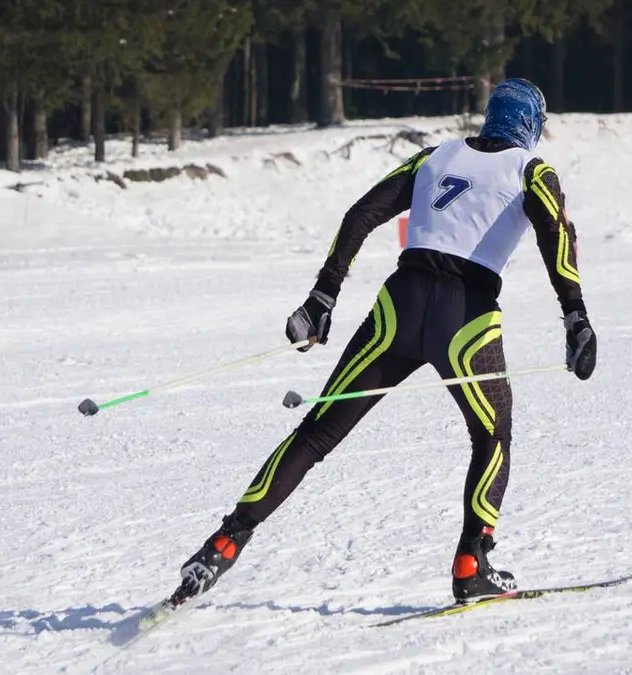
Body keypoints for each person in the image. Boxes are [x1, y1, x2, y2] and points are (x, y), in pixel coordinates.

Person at [169, 78, 597, 609]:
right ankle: (472, 562)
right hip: (466, 319)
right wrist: (575, 317)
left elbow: (360, 215)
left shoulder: (435, 156)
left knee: (316, 433)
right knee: (493, 435)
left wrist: (323, 296)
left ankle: (224, 543)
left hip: (399, 306)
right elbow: (558, 238)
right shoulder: (533, 170)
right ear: (531, 124)